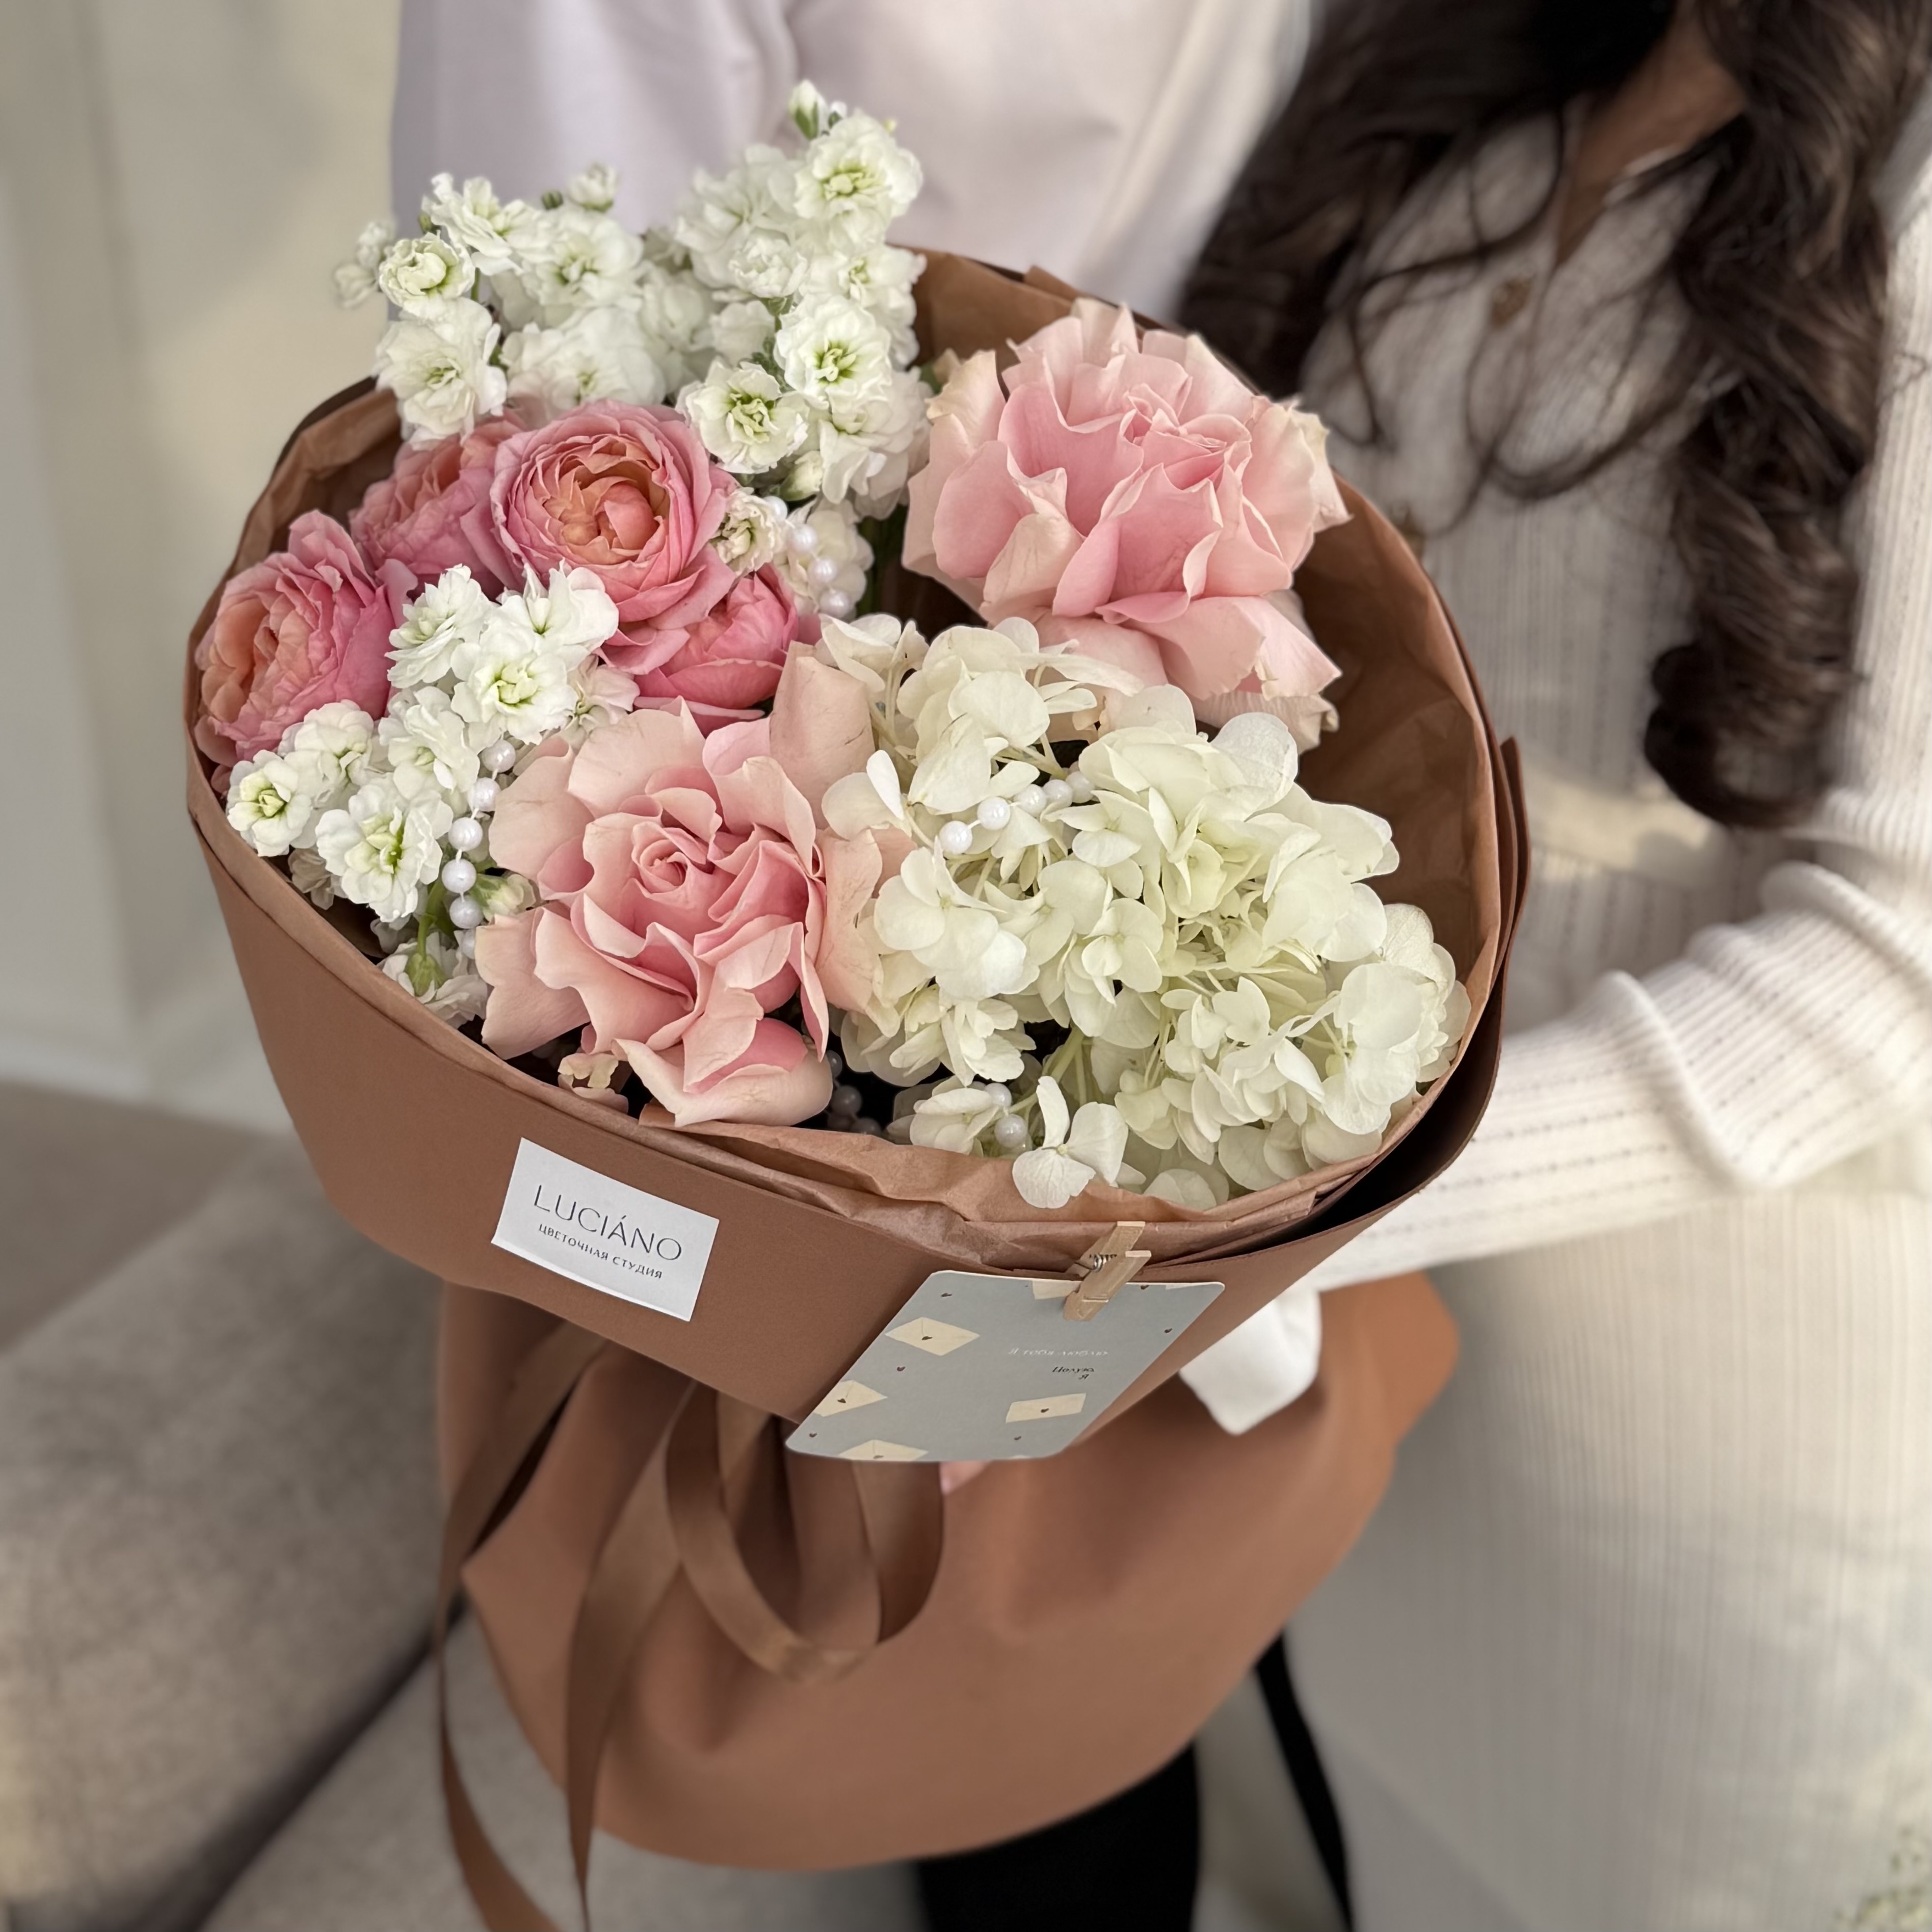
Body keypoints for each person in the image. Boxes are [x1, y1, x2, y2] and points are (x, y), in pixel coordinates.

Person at [1176, 1, 1932, 1925]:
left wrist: (1318, 1206)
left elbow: (1897, 964)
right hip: (1342, 1382)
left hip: (1699, 1447)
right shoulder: (1472, 58)